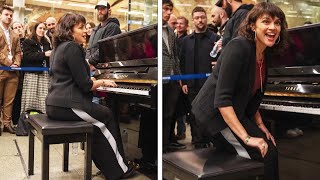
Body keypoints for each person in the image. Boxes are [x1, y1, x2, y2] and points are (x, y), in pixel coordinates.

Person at [191, 2, 288, 180]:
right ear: (252, 26)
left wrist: (260, 126)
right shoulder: (238, 47)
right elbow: (222, 100)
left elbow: (250, 95)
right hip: (214, 116)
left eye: (278, 23)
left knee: (269, 146)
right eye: (266, 22)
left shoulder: (264, 54)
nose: (273, 27)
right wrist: (247, 138)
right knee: (266, 153)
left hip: (233, 112)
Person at [45, 12, 135, 180]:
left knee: (95, 124)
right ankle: (120, 170)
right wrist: (102, 82)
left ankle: (109, 167)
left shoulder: (59, 48)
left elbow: (72, 77)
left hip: (55, 104)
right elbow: (85, 85)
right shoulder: (72, 47)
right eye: (80, 28)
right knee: (107, 115)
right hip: (69, 104)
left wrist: (92, 79)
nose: (85, 31)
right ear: (69, 30)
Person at [179, 6, 220, 147]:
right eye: (197, 17)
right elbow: (182, 63)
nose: (200, 20)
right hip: (191, 85)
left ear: (206, 18)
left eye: (202, 17)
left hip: (210, 85)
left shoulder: (216, 39)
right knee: (193, 115)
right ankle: (197, 141)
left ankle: (210, 141)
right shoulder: (185, 41)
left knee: (209, 114)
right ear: (193, 20)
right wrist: (183, 82)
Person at [162, 0, 186, 152]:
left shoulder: (171, 31)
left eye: (171, 9)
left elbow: (175, 56)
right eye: (166, 9)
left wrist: (179, 78)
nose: (169, 12)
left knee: (169, 114)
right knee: (159, 114)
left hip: (172, 80)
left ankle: (165, 143)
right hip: (159, 78)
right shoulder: (152, 29)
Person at [20, 22, 52, 114]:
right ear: (35, 29)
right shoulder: (27, 42)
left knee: (44, 97)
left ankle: (43, 118)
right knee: (30, 98)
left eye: (44, 29)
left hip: (45, 73)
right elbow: (27, 56)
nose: (42, 30)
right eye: (40, 28)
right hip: (32, 73)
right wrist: (44, 54)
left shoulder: (46, 43)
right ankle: (26, 119)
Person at [0, 6, 22, 135]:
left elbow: (18, 51)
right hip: (2, 70)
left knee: (9, 99)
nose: (9, 17)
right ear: (1, 15)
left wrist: (17, 62)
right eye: (6, 14)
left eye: (10, 15)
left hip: (13, 72)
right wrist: (9, 63)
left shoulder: (14, 34)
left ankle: (7, 123)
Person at [86, 0, 121, 66]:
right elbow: (89, 48)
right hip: (92, 67)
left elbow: (106, 48)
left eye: (102, 9)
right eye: (98, 9)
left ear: (109, 11)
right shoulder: (95, 29)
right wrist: (88, 61)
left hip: (105, 69)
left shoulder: (113, 27)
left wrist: (91, 62)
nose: (99, 11)